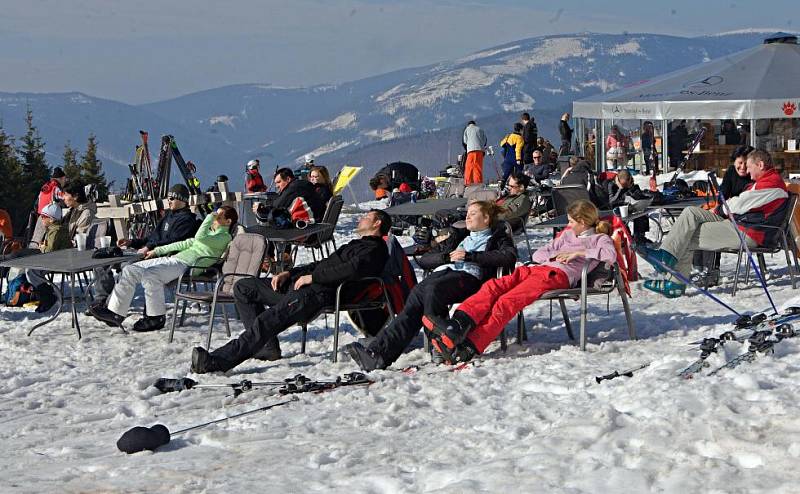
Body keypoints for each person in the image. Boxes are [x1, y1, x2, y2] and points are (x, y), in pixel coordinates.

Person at [191, 209, 392, 373]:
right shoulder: (357, 244)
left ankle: (217, 361)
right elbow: (321, 264)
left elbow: (350, 270)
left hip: (317, 295)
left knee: (267, 320)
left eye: (367, 216)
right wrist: (290, 273)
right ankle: (266, 347)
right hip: (301, 286)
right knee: (244, 287)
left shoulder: (374, 250)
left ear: (377, 224)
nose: (361, 218)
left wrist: (313, 278)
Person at [422, 200, 616, 363]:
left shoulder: (600, 239)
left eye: (572, 221)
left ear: (583, 222)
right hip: (536, 269)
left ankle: (469, 346)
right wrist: (555, 255)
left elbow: (610, 255)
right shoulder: (567, 235)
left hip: (556, 276)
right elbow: (541, 253)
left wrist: (577, 253)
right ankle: (456, 325)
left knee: (507, 301)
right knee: (492, 287)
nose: (569, 225)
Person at [344, 201, 517, 371]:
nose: (468, 217)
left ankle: (442, 346)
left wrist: (471, 256)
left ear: (486, 218)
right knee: (415, 300)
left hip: (470, 277)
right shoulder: (459, 235)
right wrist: (447, 258)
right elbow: (425, 259)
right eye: (467, 214)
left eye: (473, 214)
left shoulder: (497, 236)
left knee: (432, 290)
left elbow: (508, 257)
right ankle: (378, 354)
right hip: (443, 273)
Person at [641, 150, 788, 298]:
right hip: (741, 224)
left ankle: (675, 282)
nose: (748, 171)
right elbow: (740, 202)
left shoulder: (771, 185)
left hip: (749, 232)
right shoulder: (766, 182)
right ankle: (666, 257)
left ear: (760, 165)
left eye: (750, 166)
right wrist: (722, 208)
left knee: (686, 235)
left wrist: (721, 208)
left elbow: (740, 204)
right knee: (690, 213)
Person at [89, 206, 236, 332]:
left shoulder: (224, 237)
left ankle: (155, 317)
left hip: (187, 266)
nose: (216, 217)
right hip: (173, 260)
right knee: (130, 269)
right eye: (216, 215)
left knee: (151, 275)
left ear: (228, 222)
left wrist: (209, 216)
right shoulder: (209, 235)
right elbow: (183, 244)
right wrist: (157, 251)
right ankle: (115, 313)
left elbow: (199, 238)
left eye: (219, 216)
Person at [91, 184, 199, 305]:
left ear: (182, 200)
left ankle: (111, 305)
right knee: (102, 262)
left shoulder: (187, 220)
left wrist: (148, 247)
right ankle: (100, 300)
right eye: (168, 198)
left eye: (172, 198)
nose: (169, 201)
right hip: (145, 252)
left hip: (159, 257)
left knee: (127, 266)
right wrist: (132, 242)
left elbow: (173, 242)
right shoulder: (169, 215)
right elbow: (152, 237)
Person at [691, 145, 755, 286]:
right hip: (728, 212)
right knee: (700, 223)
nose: (743, 167)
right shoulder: (731, 172)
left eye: (746, 163)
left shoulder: (754, 176)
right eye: (740, 163)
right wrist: (719, 205)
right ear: (734, 162)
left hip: (742, 219)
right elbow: (723, 194)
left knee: (712, 228)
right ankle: (698, 267)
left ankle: (711, 271)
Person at [22, 203, 72, 312]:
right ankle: (45, 294)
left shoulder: (55, 231)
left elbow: (50, 251)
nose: (42, 219)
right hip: (60, 259)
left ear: (51, 219)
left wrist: (42, 247)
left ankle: (48, 296)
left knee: (31, 271)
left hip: (59, 261)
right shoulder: (56, 229)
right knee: (31, 269)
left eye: (44, 217)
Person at [252, 168, 325, 224]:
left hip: (309, 228)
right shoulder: (301, 184)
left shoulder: (294, 188)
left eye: (279, 182)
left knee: (269, 226)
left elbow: (278, 205)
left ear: (288, 179)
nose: (277, 186)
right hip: (318, 225)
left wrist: (262, 206)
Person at [599, 170, 651, 244]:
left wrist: (632, 187)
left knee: (642, 211)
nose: (625, 186)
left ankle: (640, 236)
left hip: (625, 206)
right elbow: (611, 202)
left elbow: (636, 195)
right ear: (618, 181)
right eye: (623, 184)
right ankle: (628, 236)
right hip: (613, 210)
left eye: (626, 184)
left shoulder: (630, 182)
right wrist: (620, 189)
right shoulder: (611, 184)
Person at [30, 167, 67, 246]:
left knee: (37, 241)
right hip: (50, 220)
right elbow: (64, 198)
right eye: (64, 179)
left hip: (40, 218)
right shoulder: (56, 188)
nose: (65, 181)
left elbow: (37, 203)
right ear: (61, 178)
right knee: (49, 243)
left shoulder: (45, 188)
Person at [499, 123, 524, 188]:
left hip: (507, 158)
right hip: (515, 158)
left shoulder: (509, 136)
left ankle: (502, 183)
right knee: (519, 171)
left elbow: (501, 144)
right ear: (520, 129)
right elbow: (518, 149)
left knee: (507, 172)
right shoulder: (520, 138)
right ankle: (519, 185)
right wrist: (518, 159)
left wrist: (506, 138)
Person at [463, 120, 488, 185]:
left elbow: (465, 141)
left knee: (469, 168)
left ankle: (468, 184)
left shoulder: (467, 129)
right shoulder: (480, 129)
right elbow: (485, 140)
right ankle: (478, 184)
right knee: (478, 168)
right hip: (480, 151)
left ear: (468, 125)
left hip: (471, 151)